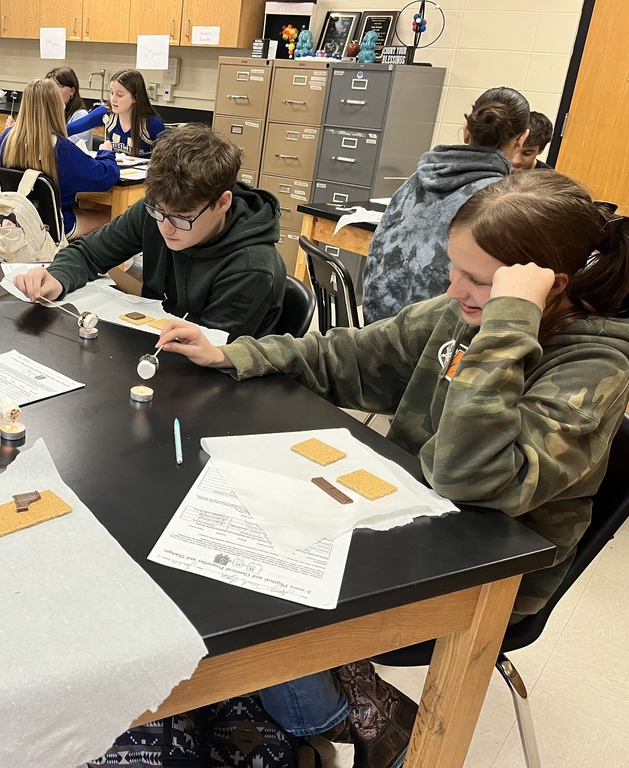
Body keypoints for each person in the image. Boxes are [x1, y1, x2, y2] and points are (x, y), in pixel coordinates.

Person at [156, 170, 629, 767]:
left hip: (483, 570)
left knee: (250, 586)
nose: (455, 290)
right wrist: (235, 352)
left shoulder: (593, 367)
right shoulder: (463, 314)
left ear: (545, 288)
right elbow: (348, 355)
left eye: (479, 281)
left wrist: (506, 329)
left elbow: (471, 476)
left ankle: (331, 711)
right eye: (455, 269)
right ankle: (320, 705)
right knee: (222, 541)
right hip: (409, 514)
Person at [14, 124, 286, 340]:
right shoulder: (156, 210)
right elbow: (89, 253)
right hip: (157, 349)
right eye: (160, 212)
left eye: (183, 218)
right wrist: (56, 278)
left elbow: (210, 352)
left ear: (222, 203)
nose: (166, 227)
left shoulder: (252, 266)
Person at [360, 86, 530, 323]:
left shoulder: (418, 178)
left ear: (466, 131)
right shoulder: (498, 199)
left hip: (374, 329)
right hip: (433, 340)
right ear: (521, 139)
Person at [0, 79, 119, 239]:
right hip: (56, 224)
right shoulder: (61, 149)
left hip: (16, 220)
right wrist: (106, 154)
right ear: (56, 107)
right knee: (115, 217)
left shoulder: (6, 138)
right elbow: (105, 177)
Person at [65, 69, 165, 157]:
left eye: (119, 95)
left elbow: (168, 157)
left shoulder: (152, 123)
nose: (113, 99)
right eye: (111, 93)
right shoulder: (106, 113)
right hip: (116, 174)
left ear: (135, 97)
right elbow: (70, 128)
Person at [45, 66, 93, 145]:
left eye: (59, 86)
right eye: (50, 88)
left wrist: (59, 110)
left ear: (72, 91)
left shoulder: (82, 116)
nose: (53, 92)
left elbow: (65, 147)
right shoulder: (45, 113)